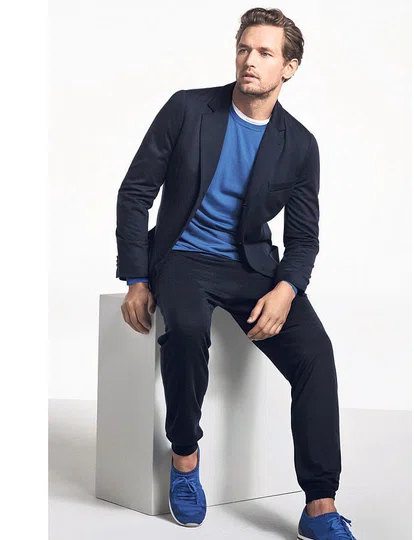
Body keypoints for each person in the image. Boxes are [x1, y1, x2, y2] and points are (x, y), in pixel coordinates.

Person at [114, 8, 357, 540]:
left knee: (316, 355)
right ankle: (184, 456)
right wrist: (136, 277)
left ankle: (320, 505)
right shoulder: (188, 109)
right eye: (245, 48)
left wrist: (286, 288)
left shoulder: (300, 144)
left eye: (265, 52)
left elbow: (303, 238)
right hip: (182, 256)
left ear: (288, 67)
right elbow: (136, 193)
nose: (250, 60)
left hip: (252, 267)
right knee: (186, 331)